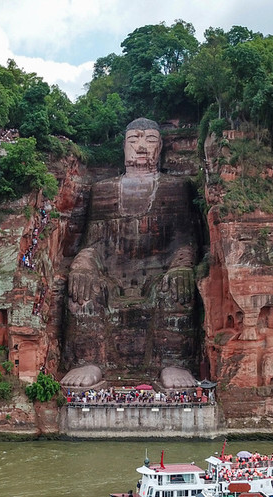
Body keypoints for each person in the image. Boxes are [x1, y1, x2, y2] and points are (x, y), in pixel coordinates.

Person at [63, 118, 200, 387]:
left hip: (158, 275)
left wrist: (181, 267)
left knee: (177, 288)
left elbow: (187, 243)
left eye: (149, 140)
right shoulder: (102, 190)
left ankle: (172, 362)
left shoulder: (177, 188)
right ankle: (90, 361)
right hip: (112, 280)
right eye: (133, 140)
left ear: (160, 147)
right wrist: (82, 266)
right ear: (123, 147)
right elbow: (91, 244)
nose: (140, 146)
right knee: (82, 288)